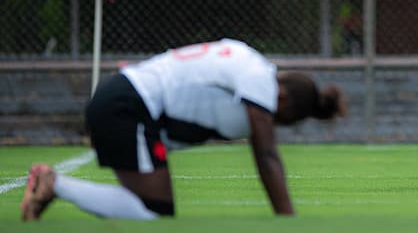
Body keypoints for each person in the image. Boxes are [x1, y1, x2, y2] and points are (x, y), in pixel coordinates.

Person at [20, 38, 346, 221]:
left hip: (126, 102)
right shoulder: (260, 81)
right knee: (153, 212)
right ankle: (53, 184)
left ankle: (54, 187)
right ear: (282, 97)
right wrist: (287, 219)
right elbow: (266, 154)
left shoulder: (249, 64)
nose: (269, 124)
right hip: (128, 106)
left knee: (154, 209)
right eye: (278, 118)